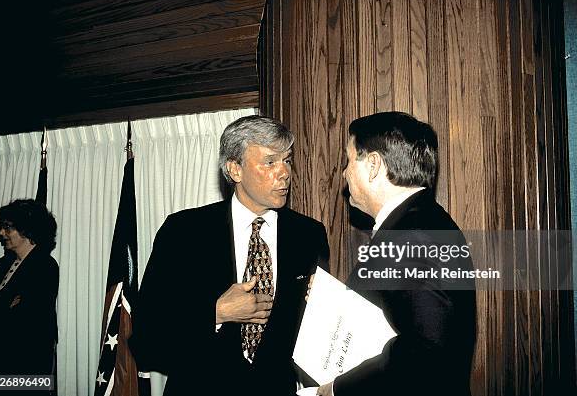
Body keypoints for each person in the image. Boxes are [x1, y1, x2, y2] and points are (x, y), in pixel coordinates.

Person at [130, 115, 329, 395]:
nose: (284, 172)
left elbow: (318, 334)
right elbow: (146, 338)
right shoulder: (183, 232)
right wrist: (216, 313)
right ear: (235, 169)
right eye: (270, 161)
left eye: (287, 160)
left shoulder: (309, 236)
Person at [317, 112, 476, 396]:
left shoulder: (412, 234)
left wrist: (338, 389)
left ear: (374, 165)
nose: (344, 173)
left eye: (349, 160)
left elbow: (427, 351)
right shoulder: (417, 222)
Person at [0, 199, 59, 376]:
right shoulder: (1, 265)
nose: (1, 232)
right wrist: (6, 307)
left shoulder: (46, 266)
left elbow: (28, 318)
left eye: (8, 227)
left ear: (28, 230)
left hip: (28, 364)